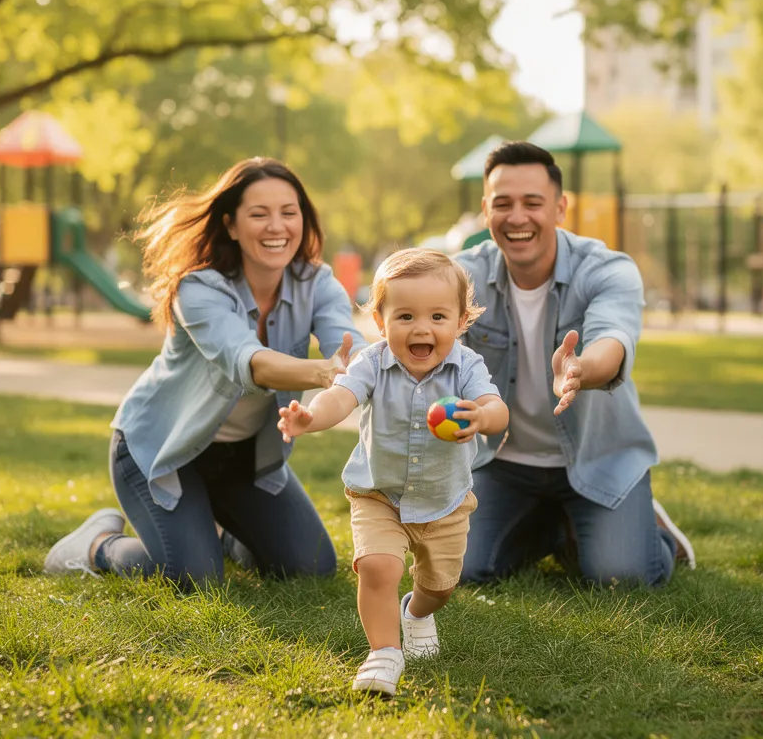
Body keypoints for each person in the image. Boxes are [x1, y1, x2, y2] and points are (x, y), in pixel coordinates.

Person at [44, 158, 362, 586]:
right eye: (259, 214)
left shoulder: (317, 282)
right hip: (162, 451)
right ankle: (97, 544)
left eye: (289, 213)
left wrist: (365, 366)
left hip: (241, 459)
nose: (277, 226)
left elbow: (348, 345)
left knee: (311, 567)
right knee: (195, 579)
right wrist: (324, 373)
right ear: (230, 225)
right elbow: (249, 361)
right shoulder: (198, 289)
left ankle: (225, 535)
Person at [454, 141, 695, 588]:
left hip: (598, 458)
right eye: (503, 204)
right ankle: (555, 526)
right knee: (460, 570)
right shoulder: (460, 277)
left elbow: (612, 340)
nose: (518, 217)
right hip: (503, 462)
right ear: (486, 211)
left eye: (533, 203)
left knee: (619, 578)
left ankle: (655, 536)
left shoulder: (607, 269)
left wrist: (580, 369)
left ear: (561, 208)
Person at [277, 248, 509, 696]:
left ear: (461, 322)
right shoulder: (371, 362)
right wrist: (311, 418)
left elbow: (496, 408)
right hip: (379, 495)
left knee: (440, 586)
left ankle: (417, 613)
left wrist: (482, 418)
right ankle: (384, 653)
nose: (421, 328)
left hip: (445, 501)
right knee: (378, 569)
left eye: (438, 317)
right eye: (404, 316)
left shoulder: (467, 367)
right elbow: (340, 397)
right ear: (380, 322)